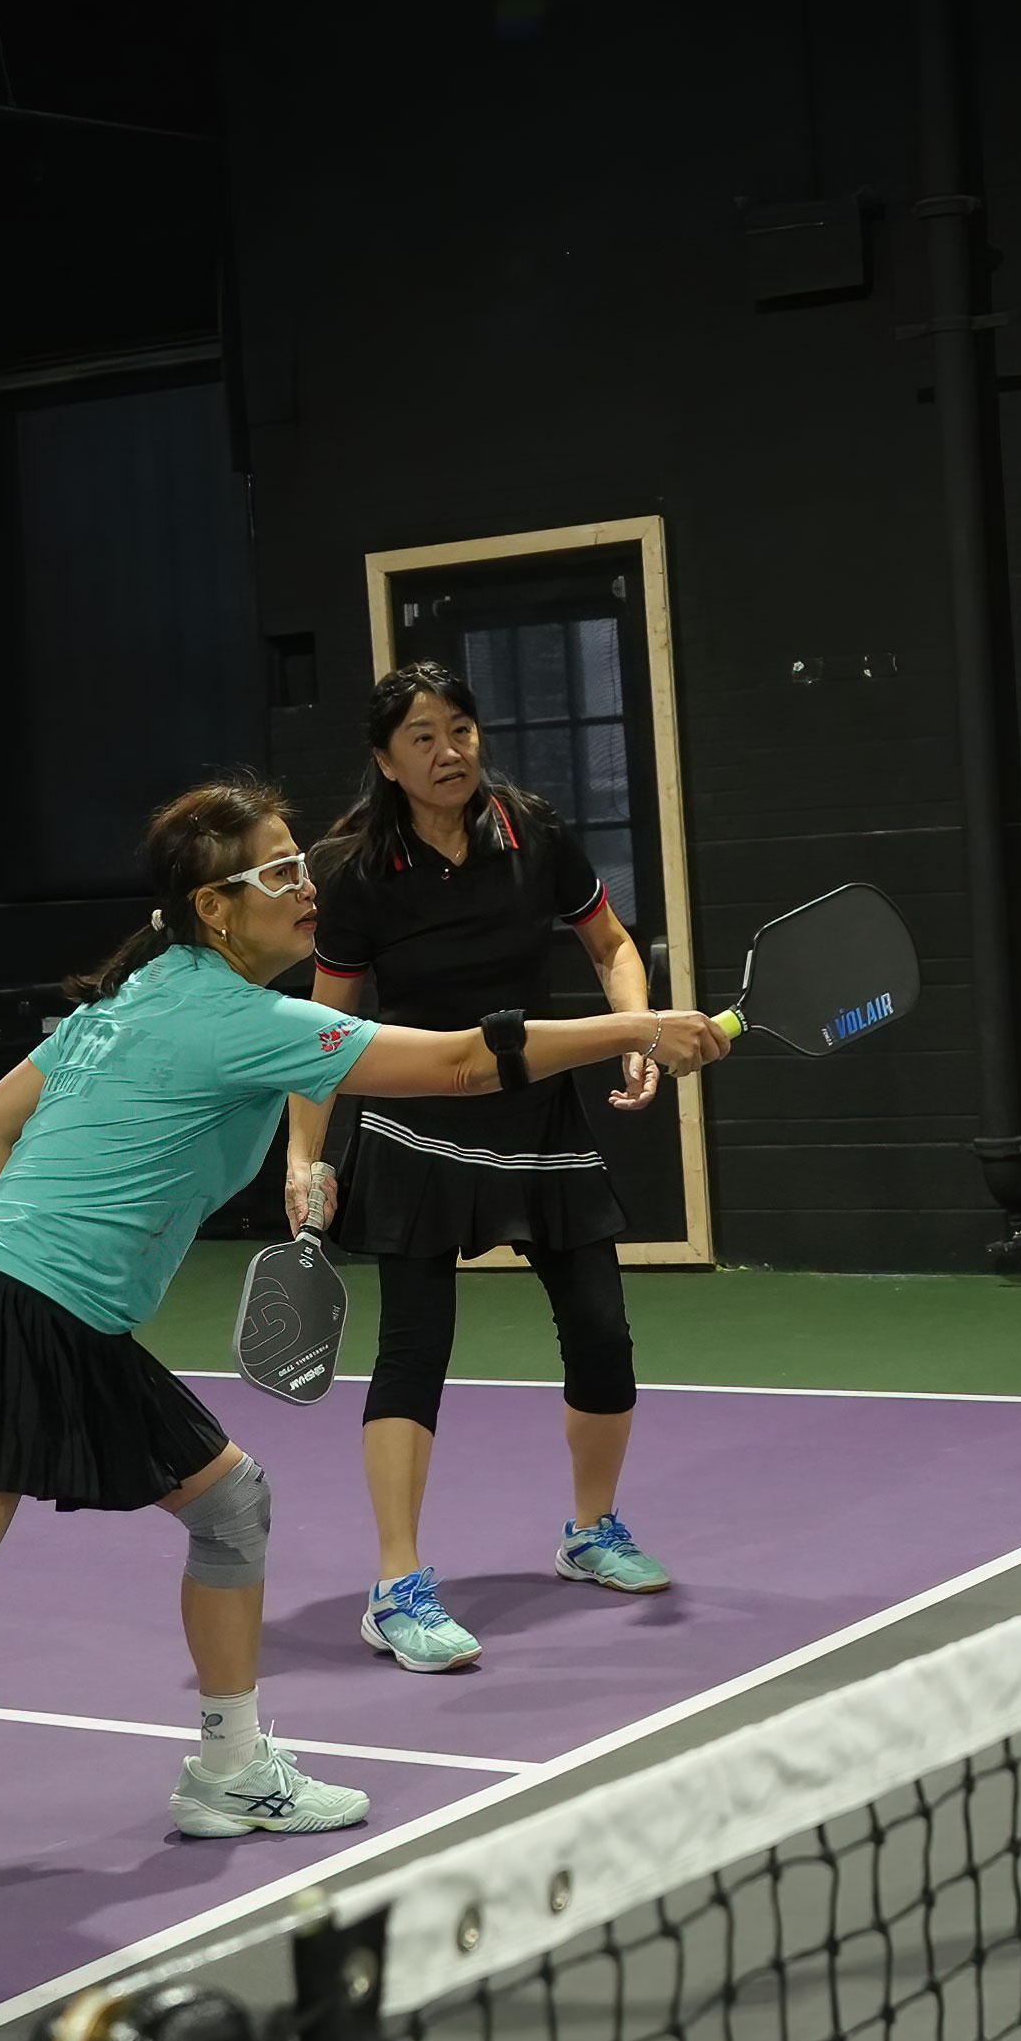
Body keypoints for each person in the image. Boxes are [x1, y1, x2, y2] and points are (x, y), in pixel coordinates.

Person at [0, 778, 726, 1977]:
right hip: (14, 1316)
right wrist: (634, 1027)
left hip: (50, 1307)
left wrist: (73, 1234)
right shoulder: (230, 1017)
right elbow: (455, 1066)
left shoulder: (136, 998)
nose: (305, 887)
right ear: (215, 907)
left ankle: (229, 1770)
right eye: (277, 872)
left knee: (231, 1503)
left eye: (303, 864)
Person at [288, 663, 675, 1673]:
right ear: (386, 761)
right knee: (414, 1350)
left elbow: (612, 944)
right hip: (416, 1123)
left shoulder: (532, 833)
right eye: (421, 737)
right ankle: (397, 1587)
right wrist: (303, 1152)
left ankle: (591, 1530)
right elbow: (325, 1025)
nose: (448, 750)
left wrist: (635, 1028)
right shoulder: (357, 872)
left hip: (538, 1113)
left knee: (601, 1330)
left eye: (459, 728)